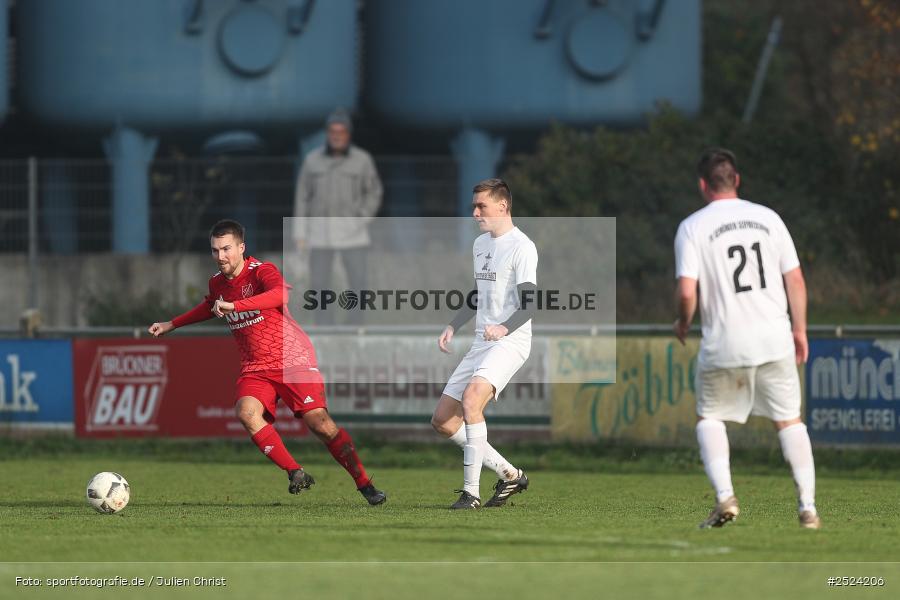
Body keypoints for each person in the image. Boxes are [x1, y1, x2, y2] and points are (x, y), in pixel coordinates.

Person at [148, 219, 386, 505]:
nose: (220, 256)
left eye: (226, 249)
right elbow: (210, 306)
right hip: (256, 367)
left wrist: (234, 305)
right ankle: (295, 471)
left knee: (320, 424)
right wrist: (171, 324)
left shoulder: (262, 271)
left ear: (241, 248)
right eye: (215, 250)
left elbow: (280, 294)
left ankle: (364, 483)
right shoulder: (217, 282)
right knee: (246, 412)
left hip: (292, 359)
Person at [674, 148, 819, 529]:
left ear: (703, 185)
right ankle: (808, 509)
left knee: (710, 417)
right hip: (774, 338)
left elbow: (688, 292)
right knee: (790, 422)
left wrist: (683, 321)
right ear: (736, 180)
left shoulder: (693, 226)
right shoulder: (769, 218)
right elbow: (796, 280)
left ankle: (725, 497)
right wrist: (800, 329)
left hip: (725, 341)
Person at [432, 178, 537, 509]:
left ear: (502, 206)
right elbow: (479, 293)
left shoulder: (522, 246)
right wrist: (454, 325)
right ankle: (510, 474)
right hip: (482, 341)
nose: (476, 212)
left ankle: (470, 493)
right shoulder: (481, 245)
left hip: (511, 341)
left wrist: (505, 328)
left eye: (482, 206)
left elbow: (531, 303)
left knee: (472, 400)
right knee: (444, 421)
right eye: (474, 206)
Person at [293, 108, 383, 325]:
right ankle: (324, 327)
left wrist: (360, 218)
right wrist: (300, 233)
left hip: (353, 235)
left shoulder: (362, 160)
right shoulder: (312, 161)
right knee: (320, 284)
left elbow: (374, 192)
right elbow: (302, 198)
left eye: (341, 132)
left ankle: (354, 326)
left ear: (348, 135)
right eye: (333, 131)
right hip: (319, 235)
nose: (336, 136)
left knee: (358, 282)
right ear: (327, 134)